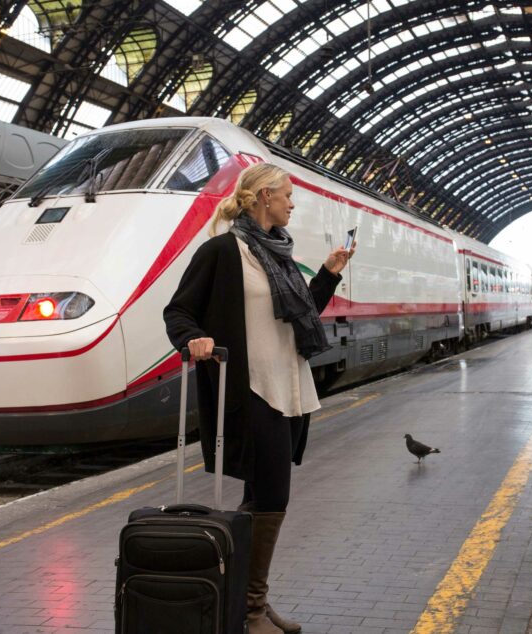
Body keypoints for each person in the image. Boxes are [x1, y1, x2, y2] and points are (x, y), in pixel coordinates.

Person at [163, 163, 355, 634]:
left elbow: (298, 313)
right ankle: (250, 611)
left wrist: (328, 276)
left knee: (260, 496)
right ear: (263, 196)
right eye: (287, 195)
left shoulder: (280, 254)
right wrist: (194, 338)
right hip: (251, 390)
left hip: (287, 385)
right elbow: (178, 311)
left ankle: (244, 602)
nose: (293, 203)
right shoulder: (222, 252)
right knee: (273, 495)